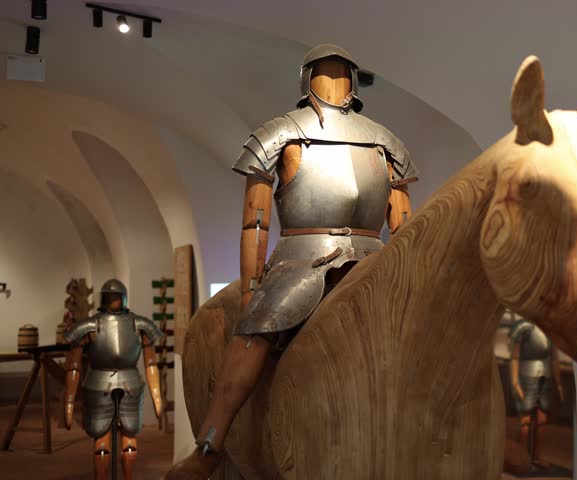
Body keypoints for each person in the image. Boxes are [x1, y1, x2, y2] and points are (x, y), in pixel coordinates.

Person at [167, 44, 417, 479]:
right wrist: (249, 291)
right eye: (328, 72)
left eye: (339, 72)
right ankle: (209, 444)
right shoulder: (282, 134)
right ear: (309, 78)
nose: (334, 78)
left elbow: (406, 228)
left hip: (375, 259)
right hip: (303, 260)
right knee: (255, 334)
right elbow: (256, 223)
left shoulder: (384, 141)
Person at [65, 279, 163, 480]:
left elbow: (151, 363)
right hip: (99, 381)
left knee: (129, 439)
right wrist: (69, 401)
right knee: (102, 439)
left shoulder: (139, 324)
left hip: (129, 382)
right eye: (111, 298)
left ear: (124, 298)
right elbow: (73, 367)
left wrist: (157, 396)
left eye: (117, 297)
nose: (114, 301)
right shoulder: (90, 326)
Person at [508, 311, 565, 469]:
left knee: (541, 420)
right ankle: (522, 457)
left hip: (545, 377)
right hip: (527, 377)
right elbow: (514, 357)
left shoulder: (550, 331)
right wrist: (514, 381)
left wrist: (559, 384)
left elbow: (554, 358)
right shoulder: (523, 329)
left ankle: (537, 456)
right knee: (526, 421)